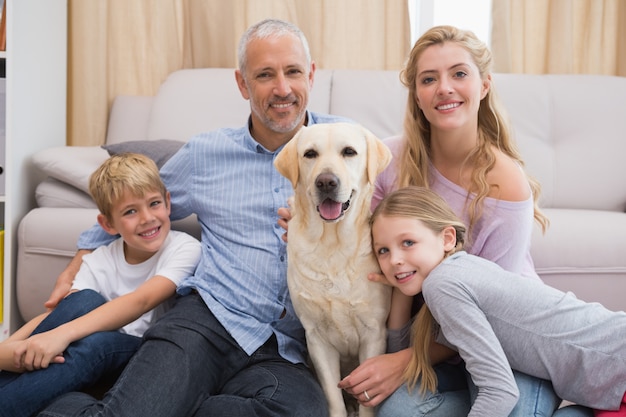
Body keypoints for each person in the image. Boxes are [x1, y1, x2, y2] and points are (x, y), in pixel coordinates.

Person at [39, 18, 352, 417]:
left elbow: (384, 221)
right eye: (265, 75)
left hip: (285, 349)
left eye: (293, 72)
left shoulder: (346, 145)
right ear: (242, 84)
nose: (282, 88)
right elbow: (135, 206)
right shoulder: (205, 155)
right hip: (206, 322)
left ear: (310, 73)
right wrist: (76, 263)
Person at [337, 24, 589, 416]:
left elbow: (493, 315)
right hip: (437, 346)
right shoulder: (384, 161)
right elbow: (347, 226)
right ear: (416, 95)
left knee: (509, 408)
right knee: (397, 413)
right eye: (428, 79)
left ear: (484, 85)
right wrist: (308, 220)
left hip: (507, 340)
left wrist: (402, 361)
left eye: (459, 73)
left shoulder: (505, 184)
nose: (444, 88)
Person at [369, 185, 626, 417]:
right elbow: (400, 350)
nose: (394, 260)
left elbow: (499, 391)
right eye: (384, 250)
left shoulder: (444, 284)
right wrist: (400, 288)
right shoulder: (453, 276)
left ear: (447, 239)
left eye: (408, 242)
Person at [0, 152, 202, 417]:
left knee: (97, 344)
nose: (147, 218)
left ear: (167, 202)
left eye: (154, 204)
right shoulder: (99, 259)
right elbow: (61, 314)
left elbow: (141, 300)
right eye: (130, 211)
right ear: (108, 224)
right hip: (82, 350)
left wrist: (60, 336)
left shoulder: (184, 248)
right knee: (83, 302)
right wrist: (8, 349)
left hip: (142, 353)